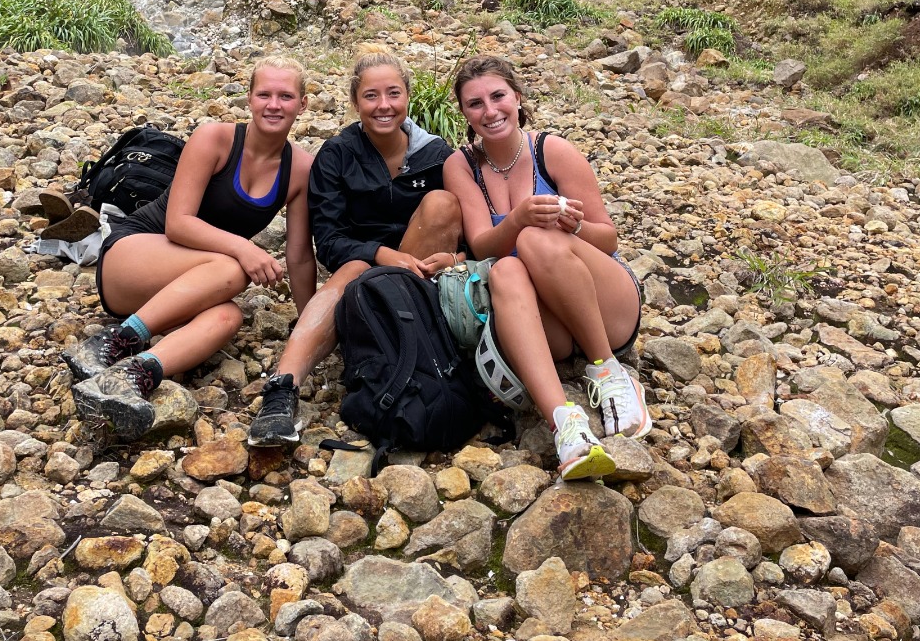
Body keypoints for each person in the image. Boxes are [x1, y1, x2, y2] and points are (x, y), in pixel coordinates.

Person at [64, 55, 316, 439]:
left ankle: (130, 376)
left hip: (187, 286)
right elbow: (177, 223)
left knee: (228, 317)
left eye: (285, 96)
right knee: (234, 269)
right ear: (249, 98)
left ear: (303, 104)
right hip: (131, 257)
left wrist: (309, 324)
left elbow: (298, 255)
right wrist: (244, 248)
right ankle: (114, 341)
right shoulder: (214, 138)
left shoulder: (300, 169)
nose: (274, 105)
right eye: (264, 94)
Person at [443, 55, 650, 481]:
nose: (490, 111)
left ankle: (610, 372)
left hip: (605, 308)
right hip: (546, 324)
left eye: (498, 96)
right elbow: (481, 245)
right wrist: (518, 218)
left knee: (535, 240)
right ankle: (566, 426)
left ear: (517, 97)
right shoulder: (461, 165)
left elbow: (608, 239)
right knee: (503, 270)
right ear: (464, 113)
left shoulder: (551, 150)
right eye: (475, 103)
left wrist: (573, 228)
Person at [247, 49, 462, 446]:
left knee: (442, 203)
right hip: (362, 277)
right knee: (353, 270)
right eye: (371, 96)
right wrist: (382, 254)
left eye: (393, 93)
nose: (384, 106)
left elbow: (474, 237)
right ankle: (281, 390)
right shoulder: (337, 155)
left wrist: (456, 257)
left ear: (408, 96)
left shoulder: (437, 156)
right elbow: (329, 242)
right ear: (355, 102)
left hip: (424, 279)